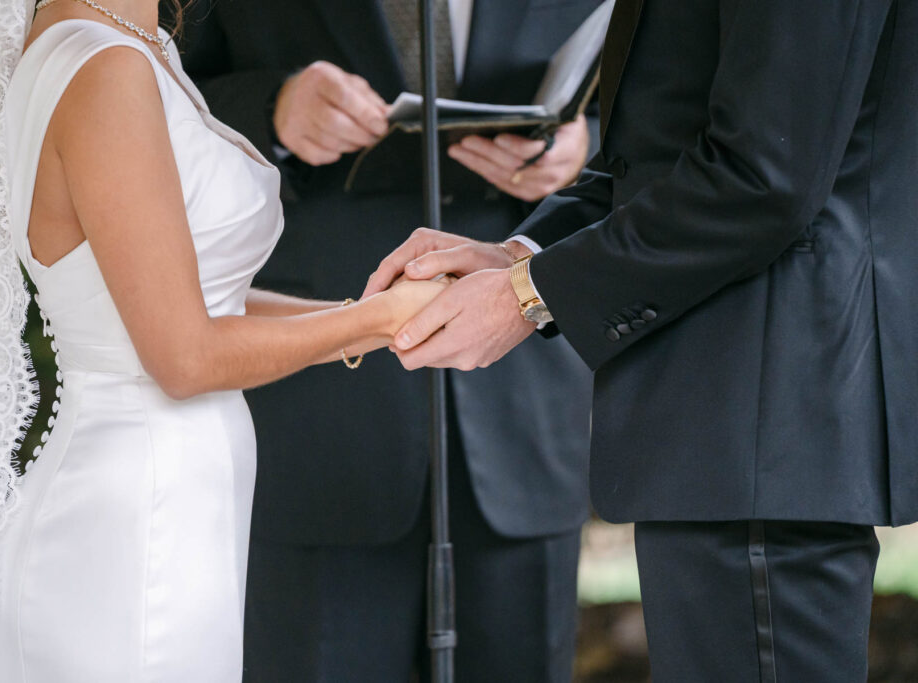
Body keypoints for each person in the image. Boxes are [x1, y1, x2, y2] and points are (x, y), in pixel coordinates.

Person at [366, 0, 918, 681]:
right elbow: (666, 154)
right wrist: (520, 254)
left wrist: (531, 295)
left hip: (766, 421)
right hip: (725, 428)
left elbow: (764, 177)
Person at [0, 1, 446, 680]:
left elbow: (200, 298)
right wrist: (380, 319)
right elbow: (184, 358)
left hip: (172, 502)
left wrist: (367, 316)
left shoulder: (128, 43)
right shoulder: (103, 67)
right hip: (133, 518)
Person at [173, 1, 602, 680]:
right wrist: (273, 109)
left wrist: (585, 150)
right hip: (320, 409)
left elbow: (654, 102)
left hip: (525, 399)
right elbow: (160, 95)